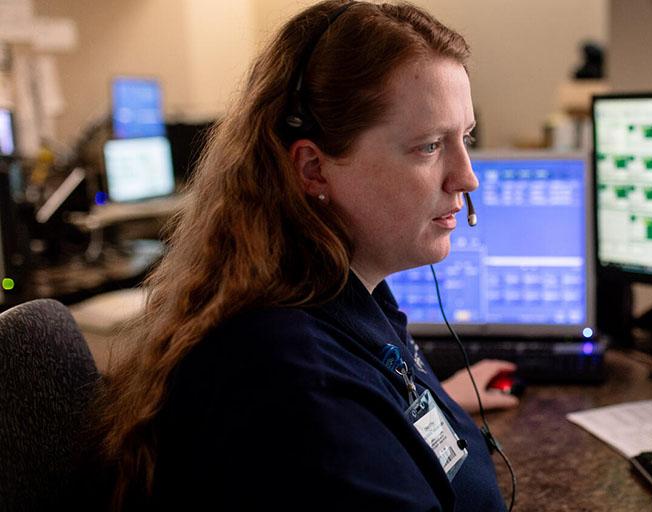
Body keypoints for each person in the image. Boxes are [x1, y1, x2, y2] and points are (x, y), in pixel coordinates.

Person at [96, 1, 517, 510]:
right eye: (429, 146)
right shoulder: (290, 380)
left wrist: (406, 407)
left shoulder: (342, 290)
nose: (467, 177)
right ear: (314, 169)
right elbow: (328, 422)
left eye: (465, 137)